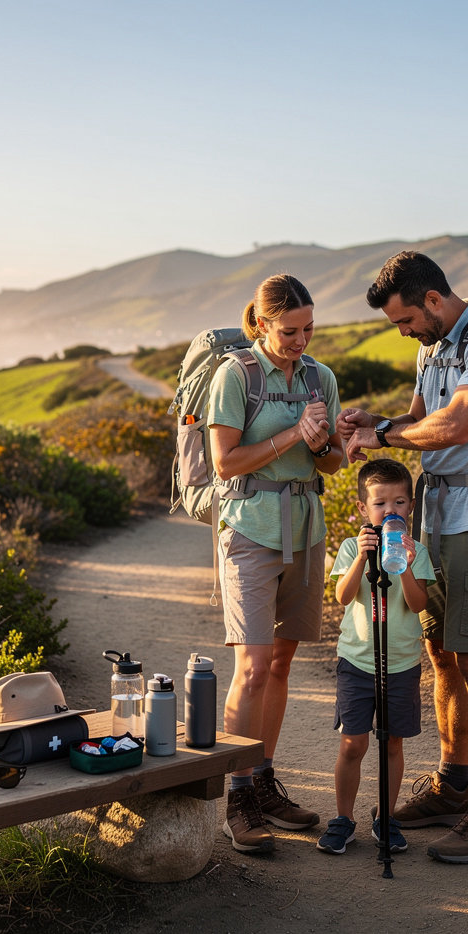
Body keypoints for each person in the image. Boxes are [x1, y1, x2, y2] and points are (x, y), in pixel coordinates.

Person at [335, 250, 468, 864]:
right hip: (438, 518)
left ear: (434, 301)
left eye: (406, 321)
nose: (404, 332)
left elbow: (460, 423)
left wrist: (387, 437)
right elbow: (422, 417)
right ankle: (452, 787)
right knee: (444, 654)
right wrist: (380, 421)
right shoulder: (432, 347)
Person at [208, 273, 343, 854]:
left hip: (306, 529)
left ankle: (263, 779)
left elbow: (334, 462)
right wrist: (294, 434)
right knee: (255, 667)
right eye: (289, 330)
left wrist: (321, 444)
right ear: (261, 324)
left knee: (284, 665)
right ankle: (237, 796)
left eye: (309, 328)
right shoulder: (235, 376)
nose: (301, 339)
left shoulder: (321, 377)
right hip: (249, 532)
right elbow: (225, 463)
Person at [317, 458, 434, 855]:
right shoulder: (352, 546)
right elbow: (342, 596)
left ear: (411, 507)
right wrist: (361, 560)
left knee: (392, 744)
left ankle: (386, 817)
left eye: (399, 503)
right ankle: (343, 818)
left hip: (401, 664)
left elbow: (419, 602)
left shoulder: (418, 551)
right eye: (380, 504)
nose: (390, 511)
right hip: (357, 663)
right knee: (353, 743)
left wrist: (401, 564)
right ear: (362, 510)